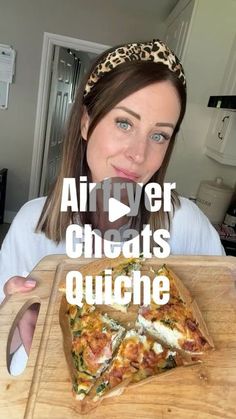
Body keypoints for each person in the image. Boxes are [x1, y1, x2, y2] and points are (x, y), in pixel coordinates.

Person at [0, 39, 224, 375]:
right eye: (124, 123)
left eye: (159, 135)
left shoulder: (183, 224)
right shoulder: (33, 223)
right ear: (87, 123)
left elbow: (221, 325)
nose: (139, 154)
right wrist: (15, 320)